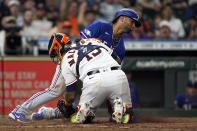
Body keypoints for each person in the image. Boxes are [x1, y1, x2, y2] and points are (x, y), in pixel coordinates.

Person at [8, 8, 141, 122]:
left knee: (85, 101)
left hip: (92, 73)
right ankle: (20, 110)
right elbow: (81, 43)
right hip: (74, 62)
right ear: (122, 18)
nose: (134, 26)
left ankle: (49, 112)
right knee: (55, 90)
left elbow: (113, 72)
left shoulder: (121, 48)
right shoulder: (101, 26)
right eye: (133, 22)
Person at [48, 33, 132, 123]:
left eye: (54, 52)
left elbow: (71, 96)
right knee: (129, 115)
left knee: (83, 118)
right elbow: (117, 60)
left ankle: (87, 111)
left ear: (58, 48)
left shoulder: (65, 60)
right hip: (118, 75)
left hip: (94, 80)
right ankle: (122, 108)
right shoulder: (93, 40)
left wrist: (67, 104)